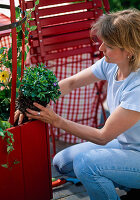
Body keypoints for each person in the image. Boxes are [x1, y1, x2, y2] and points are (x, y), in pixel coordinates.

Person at [15, 8, 140, 200]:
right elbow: (72, 83)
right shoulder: (112, 64)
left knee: (86, 164)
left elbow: (102, 137)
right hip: (126, 145)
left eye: (108, 45)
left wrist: (56, 120)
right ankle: (125, 182)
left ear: (129, 51)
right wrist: (30, 102)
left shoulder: (137, 88)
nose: (100, 48)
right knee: (62, 163)